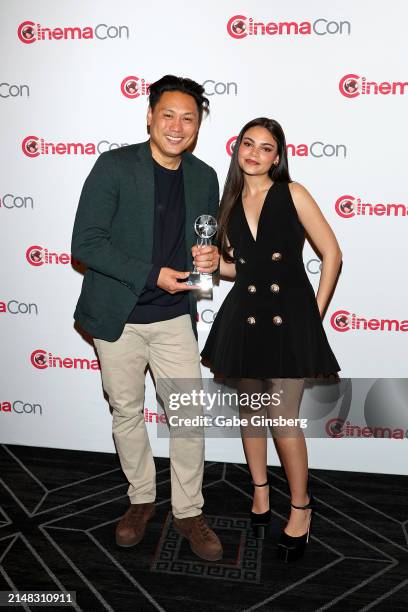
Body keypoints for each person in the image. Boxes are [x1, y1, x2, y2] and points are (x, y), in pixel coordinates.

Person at [71, 75, 223, 561]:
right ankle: (140, 500)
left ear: (197, 125)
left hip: (175, 317)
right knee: (127, 412)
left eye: (188, 118)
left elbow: (205, 238)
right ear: (150, 116)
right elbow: (86, 244)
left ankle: (188, 509)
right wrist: (151, 273)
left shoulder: (204, 176)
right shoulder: (114, 167)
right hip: (119, 315)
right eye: (168, 115)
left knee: (188, 415)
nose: (178, 126)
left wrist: (208, 258)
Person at [201, 117, 342, 562]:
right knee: (252, 412)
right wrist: (209, 265)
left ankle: (301, 508)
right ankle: (260, 492)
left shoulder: (293, 193)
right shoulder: (228, 201)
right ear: (237, 149)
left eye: (266, 148)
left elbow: (332, 254)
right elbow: (239, 269)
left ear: (277, 157)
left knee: (284, 419)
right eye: (248, 144)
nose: (255, 154)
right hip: (245, 315)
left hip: (290, 318)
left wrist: (313, 316)